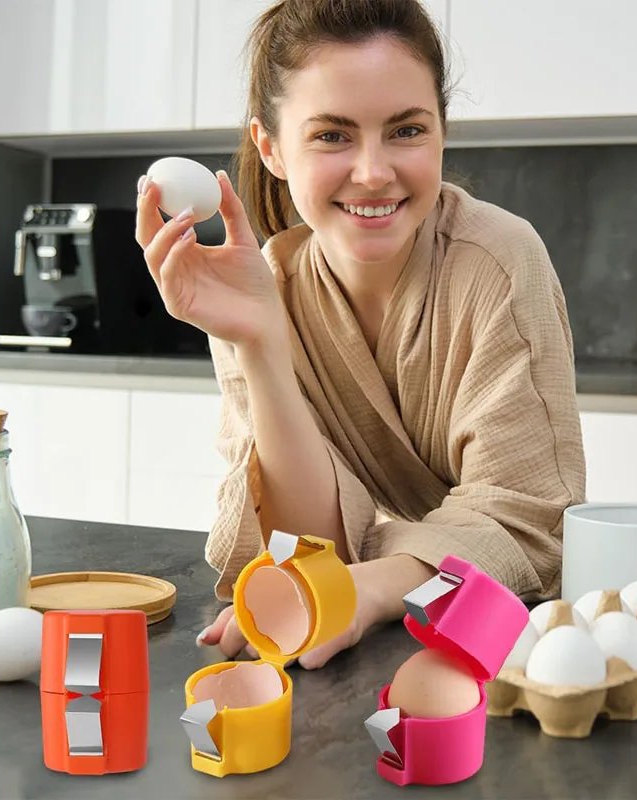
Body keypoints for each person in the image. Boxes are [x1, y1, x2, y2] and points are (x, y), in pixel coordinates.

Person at [135, 0, 585, 669]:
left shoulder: (500, 260)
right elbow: (308, 548)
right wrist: (259, 343)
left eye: (406, 130)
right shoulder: (260, 286)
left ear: (441, 132)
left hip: (502, 644)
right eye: (332, 136)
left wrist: (366, 589)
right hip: (389, 625)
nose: (373, 172)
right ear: (270, 147)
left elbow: (527, 521)